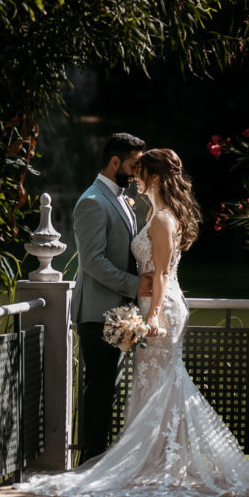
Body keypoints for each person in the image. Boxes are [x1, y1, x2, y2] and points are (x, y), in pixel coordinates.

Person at [16, 148, 249, 497]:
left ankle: (162, 461)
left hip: (161, 311)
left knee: (163, 381)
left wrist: (151, 317)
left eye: (142, 173)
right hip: (153, 305)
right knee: (155, 383)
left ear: (156, 177)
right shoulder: (154, 214)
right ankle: (160, 458)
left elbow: (163, 271)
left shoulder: (163, 219)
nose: (135, 178)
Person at [70, 132, 151, 464]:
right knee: (100, 390)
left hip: (118, 312)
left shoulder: (119, 198)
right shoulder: (92, 201)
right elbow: (92, 261)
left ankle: (98, 460)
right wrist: (135, 286)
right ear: (115, 161)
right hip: (97, 313)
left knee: (110, 389)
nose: (136, 173)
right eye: (133, 165)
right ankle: (89, 460)